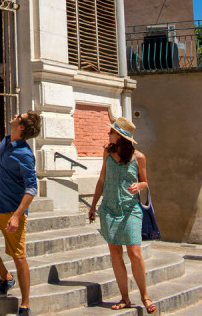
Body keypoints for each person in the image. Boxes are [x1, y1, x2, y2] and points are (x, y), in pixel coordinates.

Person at [88, 117, 156, 314]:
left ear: (120, 136)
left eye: (112, 132)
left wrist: (139, 186)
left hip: (130, 211)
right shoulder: (108, 153)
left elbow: (145, 182)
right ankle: (125, 298)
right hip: (109, 209)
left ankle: (145, 296)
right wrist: (93, 205)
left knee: (134, 253)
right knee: (115, 253)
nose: (109, 134)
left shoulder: (139, 157)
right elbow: (101, 180)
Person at [0, 111, 41, 316]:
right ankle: (5, 276)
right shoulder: (4, 141)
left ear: (21, 126)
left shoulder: (25, 154)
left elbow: (32, 188)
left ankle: (26, 303)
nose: (13, 115)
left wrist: (17, 215)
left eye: (18, 116)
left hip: (12, 211)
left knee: (19, 258)